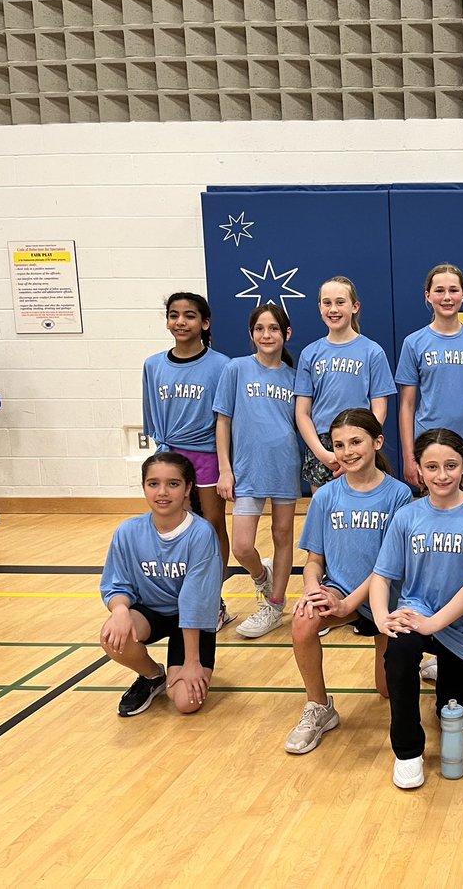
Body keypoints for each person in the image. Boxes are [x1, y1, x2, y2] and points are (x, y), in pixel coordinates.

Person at [366, 428, 463, 789]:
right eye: (432, 466)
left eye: (451, 465)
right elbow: (381, 576)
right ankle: (408, 751)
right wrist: (382, 618)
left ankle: (439, 667)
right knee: (398, 653)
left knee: (454, 715)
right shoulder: (407, 516)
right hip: (415, 614)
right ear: (419, 471)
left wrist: (433, 624)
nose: (442, 475)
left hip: (459, 629)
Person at [284, 408, 412, 754]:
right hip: (341, 591)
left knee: (386, 690)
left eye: (356, 441)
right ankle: (319, 707)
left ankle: (424, 657)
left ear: (377, 442)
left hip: (387, 597)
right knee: (303, 620)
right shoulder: (325, 496)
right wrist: (313, 591)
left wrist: (350, 603)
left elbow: (388, 566)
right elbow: (313, 562)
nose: (348, 451)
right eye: (339, 445)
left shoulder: (398, 495)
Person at [98, 452, 222, 716]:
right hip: (151, 613)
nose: (162, 492)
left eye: (173, 484)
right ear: (144, 487)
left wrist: (192, 662)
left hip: (192, 624)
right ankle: (153, 676)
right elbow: (116, 584)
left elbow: (195, 601)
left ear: (188, 488)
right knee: (111, 636)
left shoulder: (200, 534)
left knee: (186, 703)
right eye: (153, 484)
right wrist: (120, 611)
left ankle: (183, 666)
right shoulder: (128, 531)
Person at [141, 292, 232, 629]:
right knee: (177, 526)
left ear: (204, 323)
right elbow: (151, 414)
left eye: (189, 315)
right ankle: (182, 595)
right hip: (170, 453)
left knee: (211, 525)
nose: (180, 321)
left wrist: (226, 465)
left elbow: (226, 418)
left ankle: (214, 598)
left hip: (207, 453)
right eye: (174, 314)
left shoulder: (222, 365)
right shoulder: (153, 365)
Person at [213, 303, 301, 639]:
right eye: (260, 329)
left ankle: (275, 605)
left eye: (274, 328)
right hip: (247, 470)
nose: (267, 334)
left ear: (286, 334)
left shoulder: (295, 378)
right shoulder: (236, 369)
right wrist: (225, 469)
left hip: (284, 467)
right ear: (252, 334)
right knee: (243, 547)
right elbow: (223, 421)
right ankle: (263, 578)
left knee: (282, 537)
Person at [397, 264, 463, 498]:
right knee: (432, 519)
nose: (447, 297)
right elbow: (407, 405)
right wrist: (409, 455)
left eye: (453, 290)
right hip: (428, 443)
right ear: (428, 295)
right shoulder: (414, 343)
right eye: (439, 290)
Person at [295, 276, 397, 491]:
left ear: (354, 306)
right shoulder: (310, 353)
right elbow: (302, 413)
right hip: (322, 446)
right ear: (320, 307)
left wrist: (362, 442)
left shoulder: (372, 352)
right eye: (327, 303)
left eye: (340, 302)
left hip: (361, 442)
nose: (333, 309)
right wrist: (322, 453)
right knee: (328, 516)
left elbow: (379, 408)